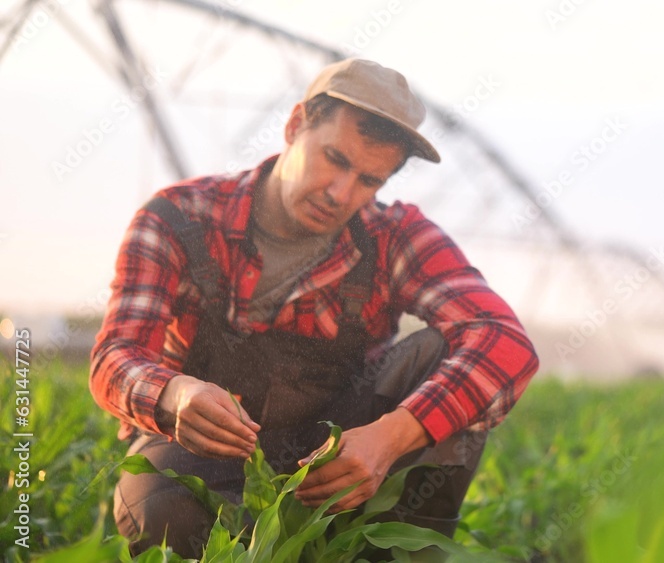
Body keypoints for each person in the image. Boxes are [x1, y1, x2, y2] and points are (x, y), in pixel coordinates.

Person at [89, 57, 539, 558]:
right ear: (295, 124)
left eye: (370, 180)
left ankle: (389, 550)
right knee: (161, 510)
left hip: (336, 464)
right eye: (335, 159)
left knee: (442, 350)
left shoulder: (394, 237)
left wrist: (390, 438)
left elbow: (506, 342)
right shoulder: (178, 218)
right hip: (200, 455)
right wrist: (173, 394)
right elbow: (115, 357)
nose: (341, 193)